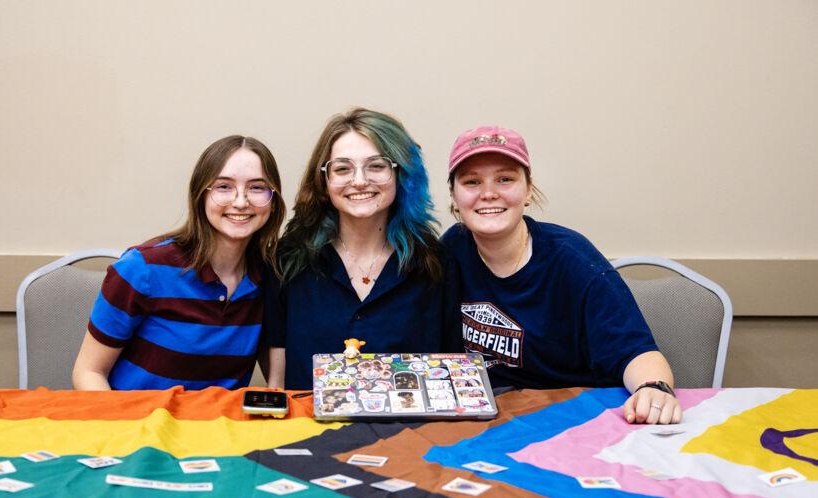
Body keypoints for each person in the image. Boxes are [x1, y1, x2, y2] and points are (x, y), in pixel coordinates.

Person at [441, 126, 681, 424]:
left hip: (575, 416)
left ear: (528, 189)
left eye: (505, 179)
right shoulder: (451, 250)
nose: (489, 194)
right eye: (472, 182)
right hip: (491, 420)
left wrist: (654, 388)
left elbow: (636, 352)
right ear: (454, 195)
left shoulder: (572, 260)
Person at [266, 108, 462, 390]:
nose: (359, 181)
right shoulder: (288, 260)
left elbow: (449, 373)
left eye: (376, 165)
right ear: (324, 182)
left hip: (408, 432)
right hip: (310, 429)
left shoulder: (435, 263)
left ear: (400, 175)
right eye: (343, 168)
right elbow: (277, 382)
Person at [72, 135, 286, 390]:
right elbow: (88, 372)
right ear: (200, 195)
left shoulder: (269, 276)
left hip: (217, 427)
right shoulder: (143, 268)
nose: (241, 202)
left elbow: (278, 379)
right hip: (137, 424)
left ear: (273, 201)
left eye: (257, 187)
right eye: (224, 187)